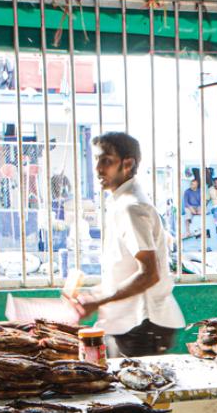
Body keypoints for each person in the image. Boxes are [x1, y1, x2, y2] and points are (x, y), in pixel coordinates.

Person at [66, 132, 184, 358]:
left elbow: (149, 275)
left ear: (127, 164)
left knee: (131, 390)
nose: (98, 169)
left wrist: (99, 300)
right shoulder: (121, 203)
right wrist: (93, 296)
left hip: (142, 325)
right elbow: (125, 268)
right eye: (97, 160)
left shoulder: (131, 207)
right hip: (128, 324)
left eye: (106, 161)